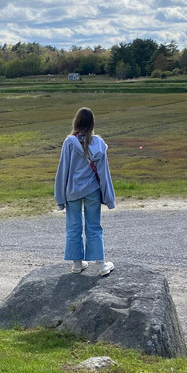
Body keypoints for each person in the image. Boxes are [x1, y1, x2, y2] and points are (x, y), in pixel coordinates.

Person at [54, 106, 116, 276]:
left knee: (73, 226)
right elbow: (104, 173)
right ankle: (102, 265)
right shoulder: (99, 144)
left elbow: (63, 171)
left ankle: (77, 264)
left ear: (77, 122)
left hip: (72, 190)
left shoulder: (69, 143)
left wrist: (60, 198)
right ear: (92, 123)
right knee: (94, 226)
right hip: (93, 191)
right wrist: (109, 198)